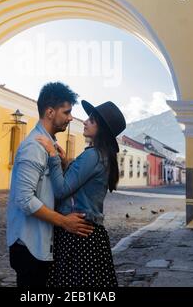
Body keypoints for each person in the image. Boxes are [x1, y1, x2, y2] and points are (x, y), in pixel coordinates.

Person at [7, 82, 94, 289]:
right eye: (67, 112)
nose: (71, 118)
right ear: (49, 112)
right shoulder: (34, 147)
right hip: (29, 245)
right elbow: (24, 199)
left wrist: (63, 165)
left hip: (41, 242)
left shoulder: (50, 145)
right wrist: (64, 222)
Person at [36, 99, 126, 288]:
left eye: (91, 120)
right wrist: (67, 163)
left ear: (101, 129)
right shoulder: (103, 155)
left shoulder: (92, 155)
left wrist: (52, 156)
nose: (85, 122)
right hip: (91, 236)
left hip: (78, 236)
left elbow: (61, 191)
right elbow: (83, 184)